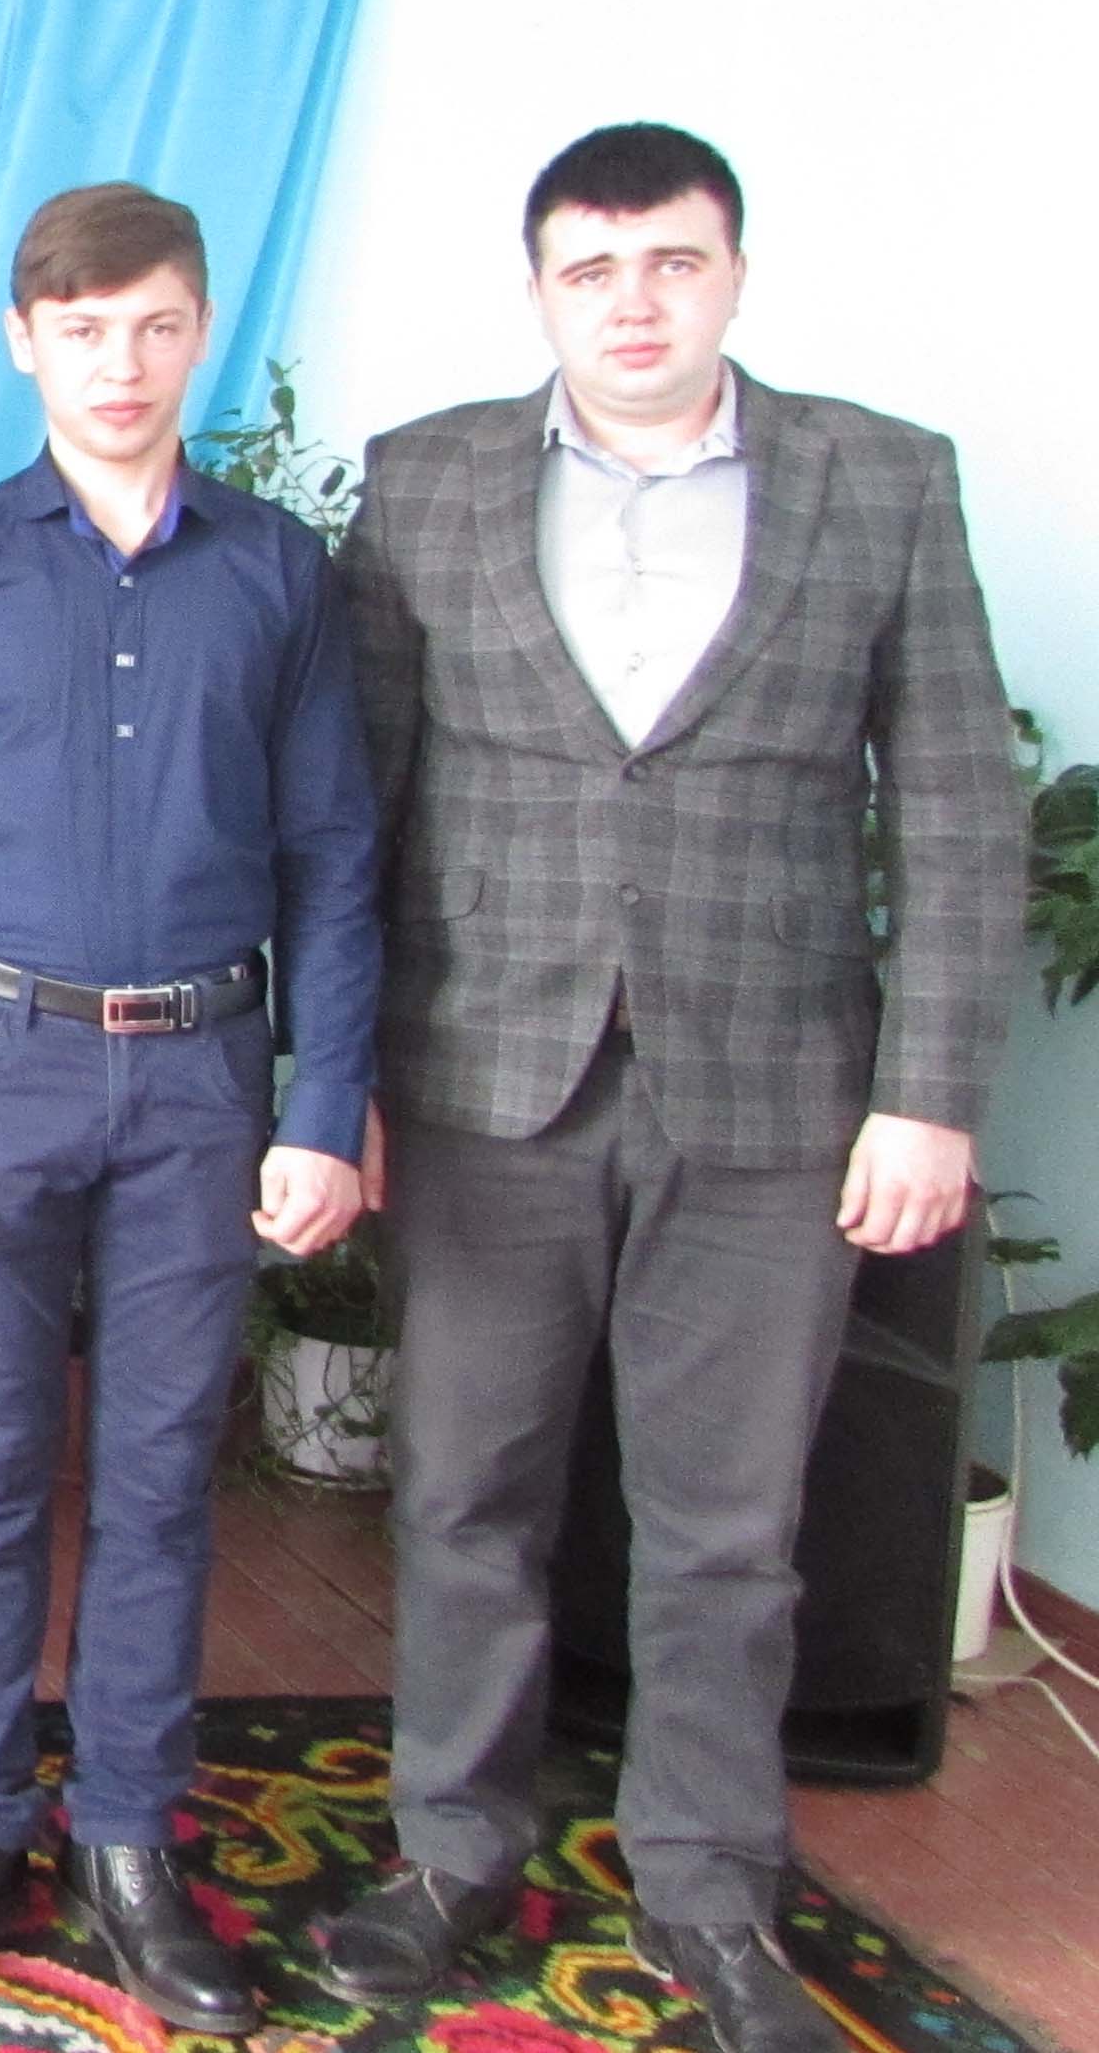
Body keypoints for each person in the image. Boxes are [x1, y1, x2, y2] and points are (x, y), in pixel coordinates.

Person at [311, 126, 1016, 2053]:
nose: (633, 305)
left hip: (778, 1094)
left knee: (728, 1524)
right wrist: (330, 1083)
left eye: (672, 264)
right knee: (466, 1492)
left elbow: (959, 803)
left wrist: (930, 1091)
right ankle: (451, 1852)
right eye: (592, 271)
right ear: (540, 290)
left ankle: (709, 1886)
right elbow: (353, 807)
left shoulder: (880, 478)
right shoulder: (429, 478)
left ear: (734, 276)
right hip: (481, 1077)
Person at [0, 183, 380, 2037]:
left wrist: (326, 1102)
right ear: (24, 341)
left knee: (157, 1472)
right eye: (81, 329)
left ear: (199, 330)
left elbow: (334, 855)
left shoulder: (278, 572)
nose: (119, 363)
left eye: (152, 326)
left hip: (206, 1081)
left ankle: (129, 1838)